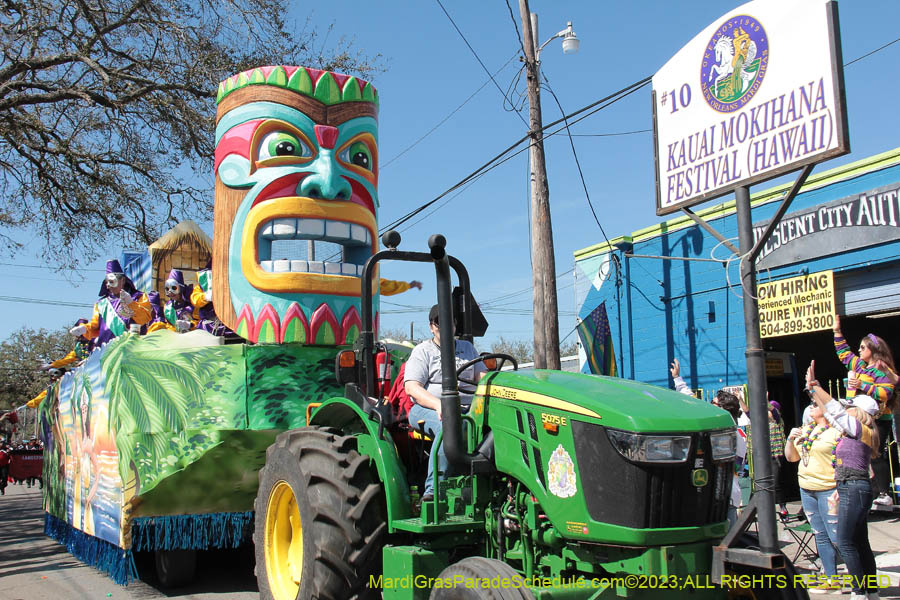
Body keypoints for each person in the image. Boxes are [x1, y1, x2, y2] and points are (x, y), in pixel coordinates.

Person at [807, 359, 881, 600]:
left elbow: (835, 411)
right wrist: (812, 390)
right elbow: (832, 413)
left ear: (860, 413)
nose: (846, 409)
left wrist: (817, 386)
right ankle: (871, 591)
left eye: (851, 407)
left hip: (855, 487)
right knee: (859, 541)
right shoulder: (853, 430)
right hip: (850, 486)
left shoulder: (862, 430)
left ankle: (859, 592)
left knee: (845, 541)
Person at [404, 304, 486, 502]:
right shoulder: (423, 351)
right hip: (426, 408)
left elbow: (482, 378)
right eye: (440, 323)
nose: (446, 327)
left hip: (468, 409)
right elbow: (412, 388)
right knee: (449, 427)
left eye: (451, 322)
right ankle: (434, 490)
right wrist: (438, 404)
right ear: (432, 326)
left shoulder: (467, 349)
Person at [785, 397, 843, 593]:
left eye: (816, 404)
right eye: (810, 403)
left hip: (829, 488)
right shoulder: (806, 430)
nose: (811, 406)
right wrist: (790, 440)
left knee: (837, 535)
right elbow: (792, 457)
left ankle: (859, 579)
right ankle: (831, 577)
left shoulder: (837, 431)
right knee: (820, 534)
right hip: (807, 488)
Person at [71, 259, 152, 345]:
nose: (108, 285)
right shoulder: (101, 304)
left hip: (131, 348)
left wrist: (131, 303)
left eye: (112, 282)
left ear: (123, 280)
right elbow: (95, 327)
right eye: (107, 282)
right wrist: (83, 329)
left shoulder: (139, 297)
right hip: (106, 349)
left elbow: (144, 318)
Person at [712, 390, 747, 526]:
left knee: (727, 542)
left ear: (723, 409)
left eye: (713, 403)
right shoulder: (731, 432)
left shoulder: (731, 435)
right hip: (725, 496)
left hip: (726, 498)